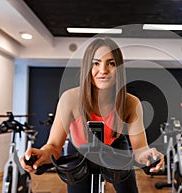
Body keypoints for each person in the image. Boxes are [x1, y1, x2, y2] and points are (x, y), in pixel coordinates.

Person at [19, 37, 164, 193]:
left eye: (111, 63)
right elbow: (54, 146)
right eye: (96, 63)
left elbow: (139, 149)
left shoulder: (131, 103)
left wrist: (148, 156)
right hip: (80, 149)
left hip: (114, 146)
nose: (103, 70)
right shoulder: (70, 99)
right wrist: (42, 154)